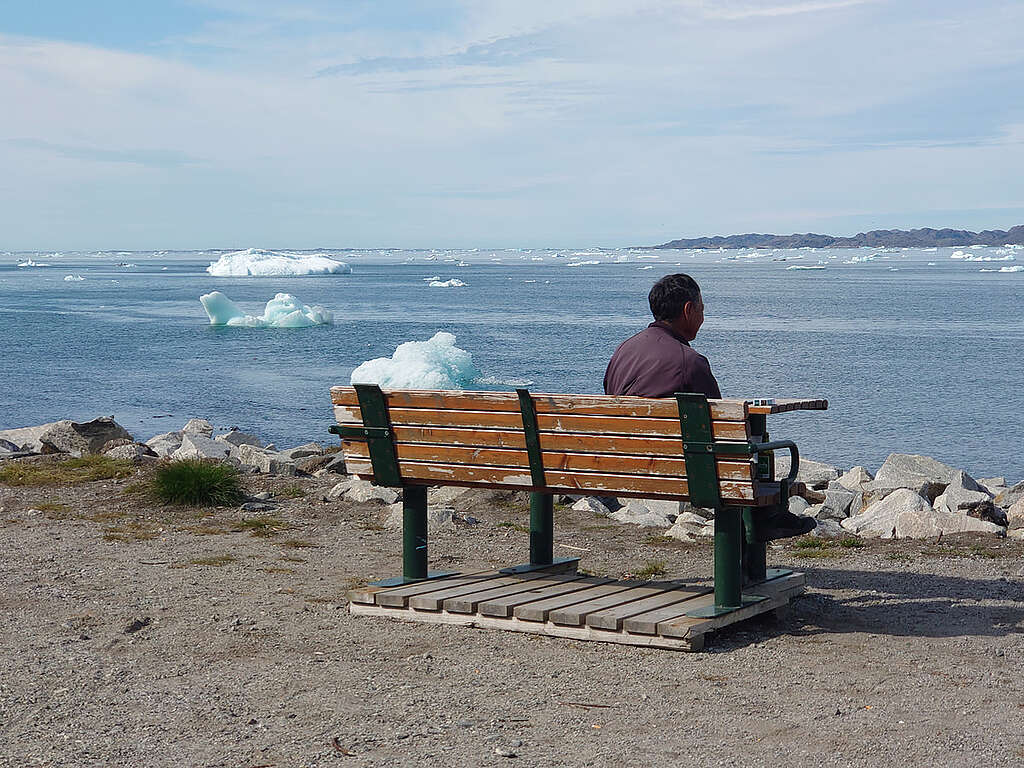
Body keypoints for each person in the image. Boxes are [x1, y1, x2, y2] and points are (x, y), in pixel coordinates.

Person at [604, 273, 814, 541]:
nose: (703, 316)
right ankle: (764, 522)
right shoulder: (689, 362)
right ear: (688, 310)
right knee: (749, 448)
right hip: (680, 473)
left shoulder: (622, 352)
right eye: (702, 309)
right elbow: (723, 431)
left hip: (618, 466)